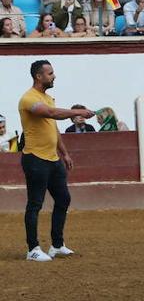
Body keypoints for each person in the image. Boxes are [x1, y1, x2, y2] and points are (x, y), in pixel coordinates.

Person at [18, 60, 95, 261]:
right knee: (35, 204)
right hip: (35, 158)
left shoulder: (47, 98)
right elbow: (52, 114)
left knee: (63, 199)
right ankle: (33, 249)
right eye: (50, 73)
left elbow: (53, 128)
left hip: (52, 159)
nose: (54, 76)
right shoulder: (28, 99)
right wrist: (79, 111)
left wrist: (65, 153)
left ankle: (57, 245)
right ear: (38, 76)